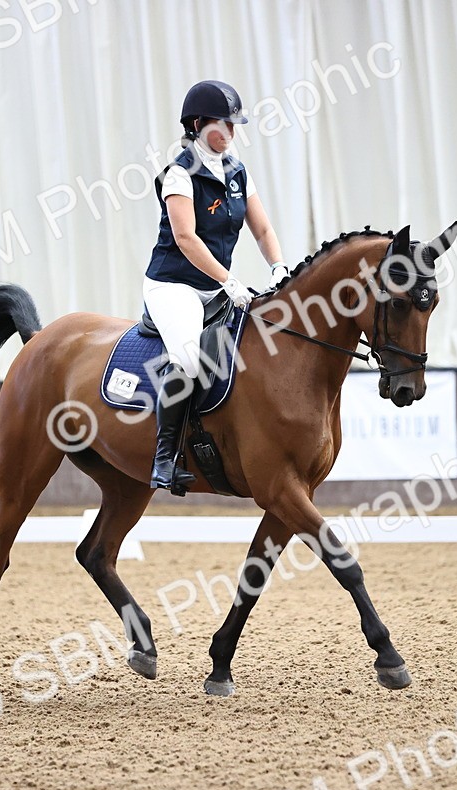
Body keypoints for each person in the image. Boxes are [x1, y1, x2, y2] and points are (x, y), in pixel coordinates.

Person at [143, 79, 288, 491]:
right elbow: (186, 238)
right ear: (198, 124)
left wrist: (278, 267)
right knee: (188, 361)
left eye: (233, 124)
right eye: (223, 123)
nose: (230, 131)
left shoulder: (237, 171)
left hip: (218, 289)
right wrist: (229, 281)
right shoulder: (179, 174)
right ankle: (164, 458)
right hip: (175, 286)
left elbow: (261, 229)